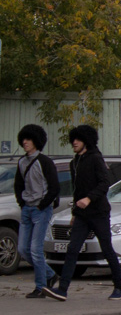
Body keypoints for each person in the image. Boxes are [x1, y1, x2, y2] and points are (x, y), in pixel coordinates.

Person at [43, 124, 121, 301]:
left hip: (99, 212)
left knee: (107, 248)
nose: (74, 142)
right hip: (81, 215)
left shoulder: (96, 159)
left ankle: (119, 287)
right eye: (73, 139)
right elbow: (77, 190)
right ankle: (62, 289)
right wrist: (74, 212)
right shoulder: (74, 162)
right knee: (72, 249)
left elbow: (105, 183)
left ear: (87, 141)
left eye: (78, 139)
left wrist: (89, 199)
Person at [13, 124, 60, 298]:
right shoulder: (21, 162)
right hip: (27, 209)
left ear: (36, 141)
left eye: (29, 139)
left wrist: (42, 205)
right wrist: (22, 203)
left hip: (41, 210)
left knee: (35, 249)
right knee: (23, 249)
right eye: (23, 139)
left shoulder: (44, 162)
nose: (25, 142)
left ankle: (40, 287)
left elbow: (54, 187)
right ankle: (50, 275)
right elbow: (18, 185)